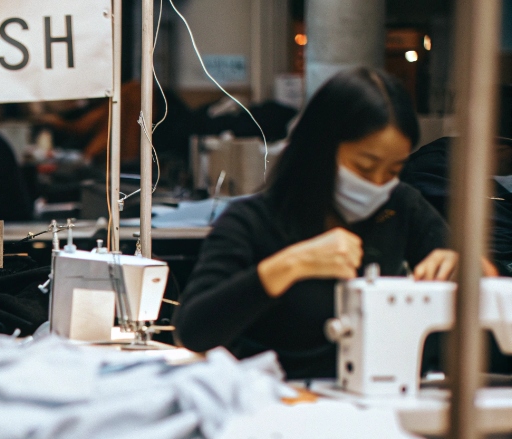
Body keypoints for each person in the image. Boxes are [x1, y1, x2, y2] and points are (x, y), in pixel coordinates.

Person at [173, 67, 494, 379]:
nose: (378, 184)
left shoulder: (401, 206)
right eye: (364, 167)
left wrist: (466, 268)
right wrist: (289, 265)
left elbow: (486, 284)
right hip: (278, 398)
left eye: (393, 171)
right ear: (321, 148)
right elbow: (192, 331)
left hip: (381, 395)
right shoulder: (253, 221)